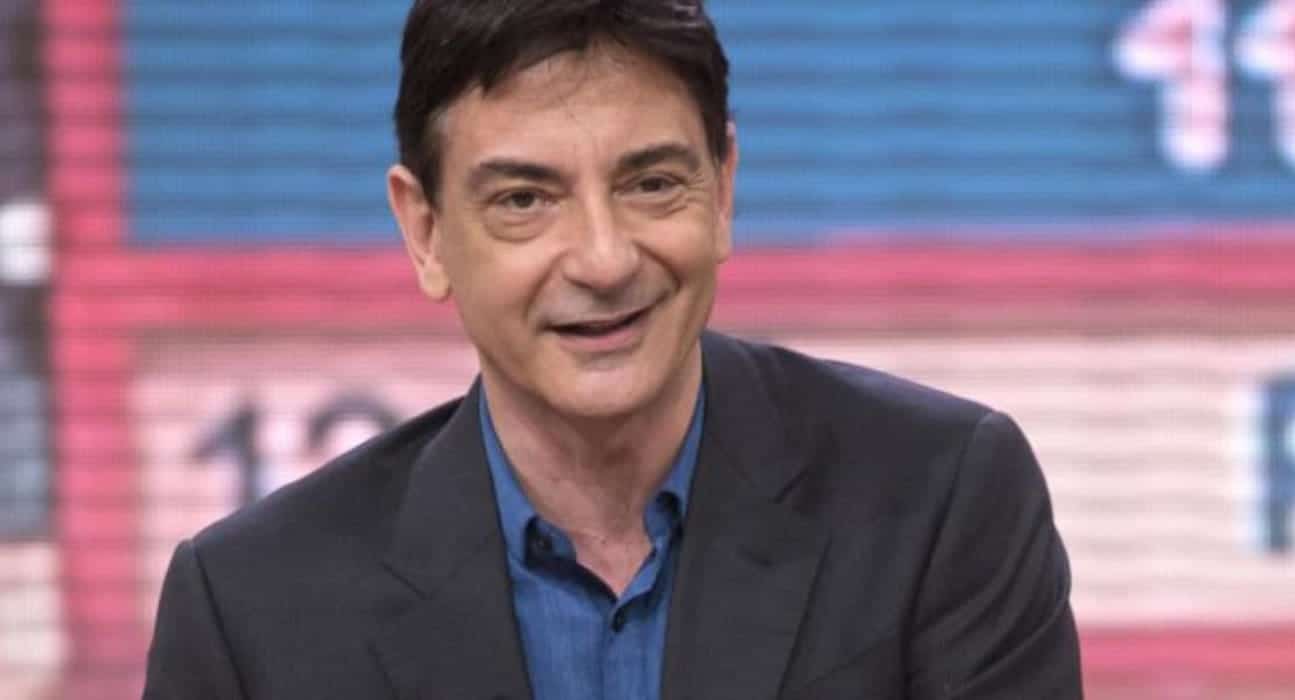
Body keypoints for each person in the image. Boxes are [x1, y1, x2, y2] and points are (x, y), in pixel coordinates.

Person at [143, 1, 1083, 698]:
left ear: (723, 188)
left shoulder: (936, 499)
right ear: (424, 231)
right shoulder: (254, 610)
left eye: (652, 184)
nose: (603, 259)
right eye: (524, 200)